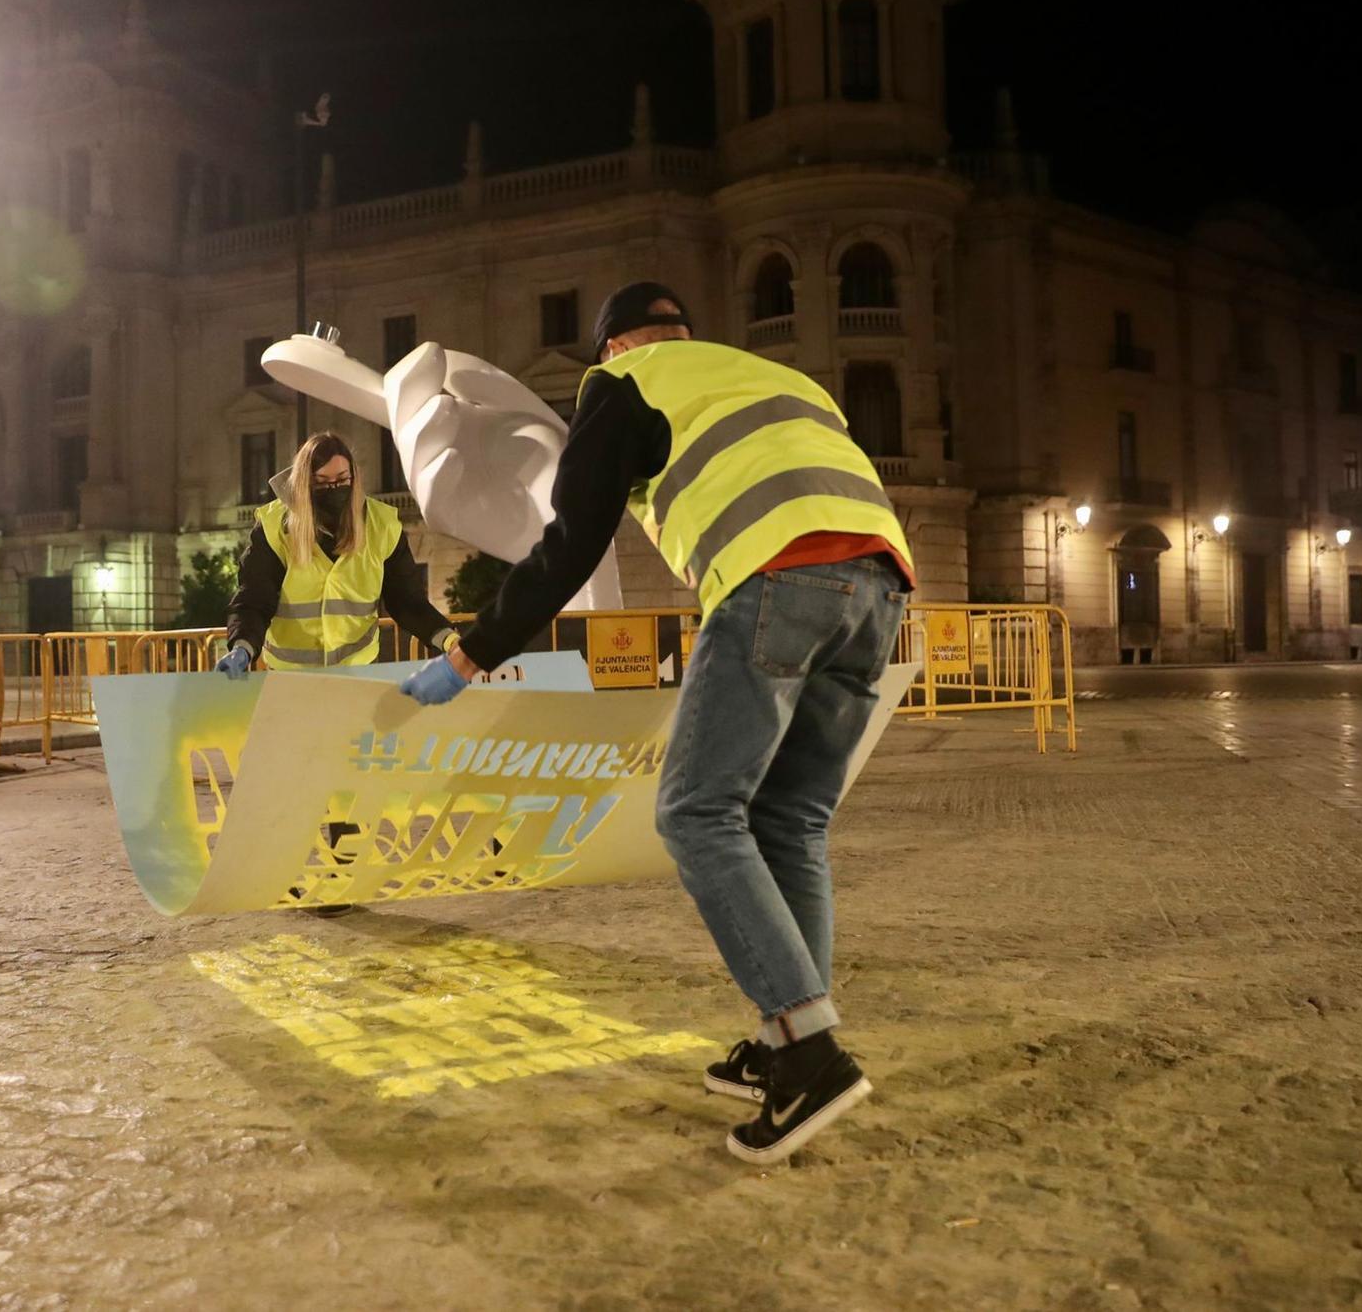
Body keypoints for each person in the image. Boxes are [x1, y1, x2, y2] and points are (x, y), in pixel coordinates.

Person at [399, 281, 913, 1167]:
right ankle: (791, 1043)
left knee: (695, 810)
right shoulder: (772, 377)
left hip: (774, 577)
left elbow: (571, 540)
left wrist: (471, 653)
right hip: (881, 588)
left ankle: (812, 1048)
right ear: (681, 331)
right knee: (789, 822)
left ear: (611, 349)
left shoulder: (624, 385)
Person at [218, 430, 458, 915]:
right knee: (298, 782)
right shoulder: (275, 529)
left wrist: (449, 640)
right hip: (294, 683)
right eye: (324, 481)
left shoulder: (383, 527)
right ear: (305, 483)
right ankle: (287, 874)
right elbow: (255, 600)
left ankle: (343, 879)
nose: (336, 489)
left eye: (344, 479)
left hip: (355, 679)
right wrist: (243, 646)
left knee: (348, 784)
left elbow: (408, 603)